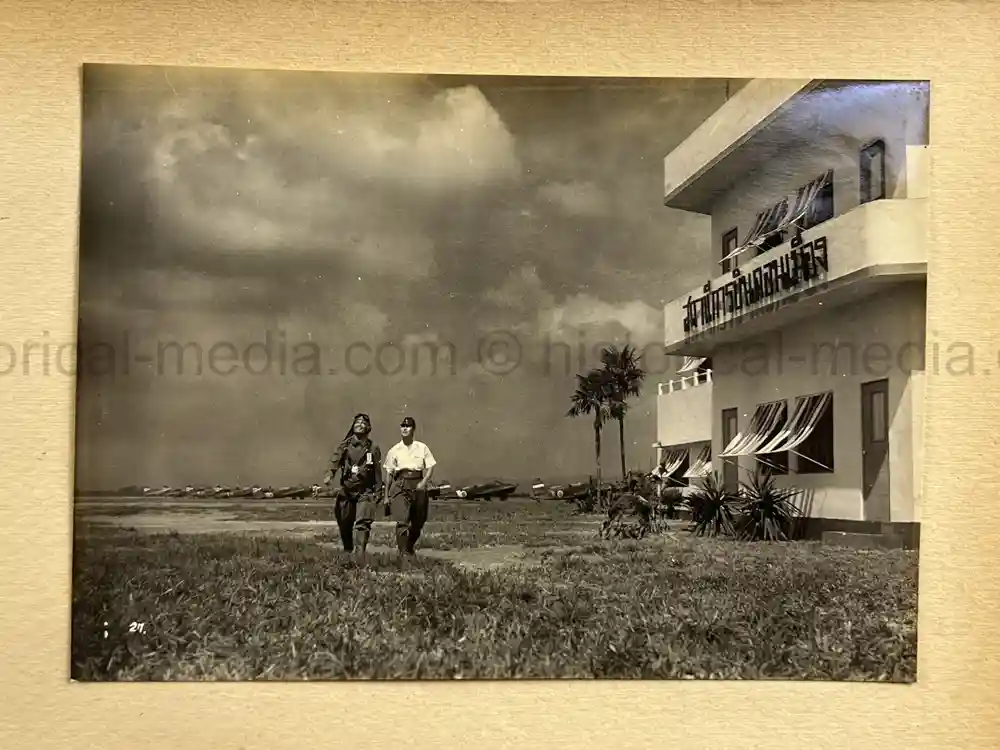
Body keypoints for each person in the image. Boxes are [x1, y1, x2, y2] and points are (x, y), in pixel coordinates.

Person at [324, 412, 383, 564]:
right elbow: (334, 461)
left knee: (363, 523)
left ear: (368, 428)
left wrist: (378, 492)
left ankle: (359, 557)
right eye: (357, 422)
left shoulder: (373, 448)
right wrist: (330, 474)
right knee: (344, 522)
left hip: (366, 491)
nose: (360, 424)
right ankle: (348, 550)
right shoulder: (344, 445)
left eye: (363, 423)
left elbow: (377, 471)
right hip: (347, 490)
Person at [383, 416, 436, 557]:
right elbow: (388, 473)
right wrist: (386, 496)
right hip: (400, 484)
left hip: (418, 484)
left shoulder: (422, 447)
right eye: (402, 426)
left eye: (408, 426)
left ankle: (409, 546)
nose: (405, 428)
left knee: (419, 522)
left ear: (413, 429)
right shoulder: (394, 450)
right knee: (402, 521)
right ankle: (403, 554)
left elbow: (430, 467)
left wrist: (423, 482)